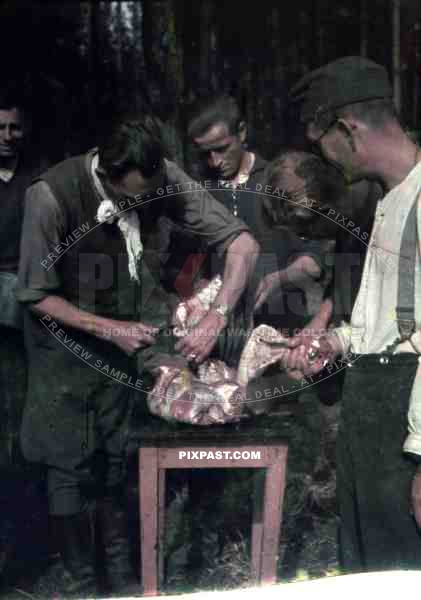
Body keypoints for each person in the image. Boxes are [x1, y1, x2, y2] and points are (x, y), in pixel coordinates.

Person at [16, 114, 259, 597]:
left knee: (116, 456)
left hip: (128, 339)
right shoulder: (50, 196)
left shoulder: (163, 176)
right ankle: (83, 582)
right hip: (66, 340)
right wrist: (111, 329)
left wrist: (216, 318)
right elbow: (35, 294)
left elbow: (243, 245)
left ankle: (123, 578)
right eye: (131, 199)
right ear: (105, 174)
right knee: (70, 461)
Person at [284, 56, 421, 571]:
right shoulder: (387, 202)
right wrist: (336, 342)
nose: (326, 158)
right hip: (369, 414)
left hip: (405, 427)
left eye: (323, 144)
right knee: (364, 566)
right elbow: (386, 321)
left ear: (348, 128)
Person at [0, 89, 47, 581]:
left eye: (14, 128)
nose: (7, 138)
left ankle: (30, 548)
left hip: (28, 300)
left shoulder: (38, 178)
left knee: (25, 424)